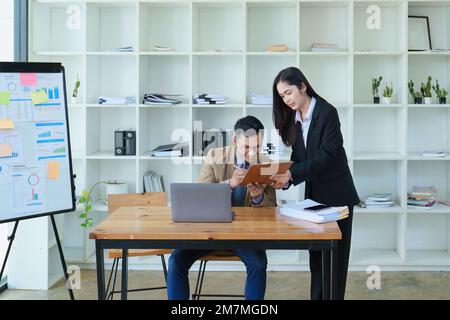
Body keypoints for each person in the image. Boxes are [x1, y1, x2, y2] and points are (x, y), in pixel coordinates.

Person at [270, 67, 359, 300]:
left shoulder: (327, 112)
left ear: (302, 86)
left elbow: (327, 155)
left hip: (338, 196)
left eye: (288, 92)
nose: (286, 99)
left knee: (335, 264)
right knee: (317, 263)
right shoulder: (296, 119)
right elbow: (300, 158)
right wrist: (284, 177)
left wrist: (292, 174)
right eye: (282, 96)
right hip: (314, 197)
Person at [167, 115, 276, 300]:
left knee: (258, 264)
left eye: (257, 147)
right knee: (176, 261)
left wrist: (258, 197)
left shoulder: (267, 164)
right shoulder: (215, 156)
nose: (252, 153)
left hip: (245, 235)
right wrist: (229, 184)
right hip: (209, 231)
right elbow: (199, 196)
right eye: (247, 147)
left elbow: (272, 209)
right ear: (235, 140)